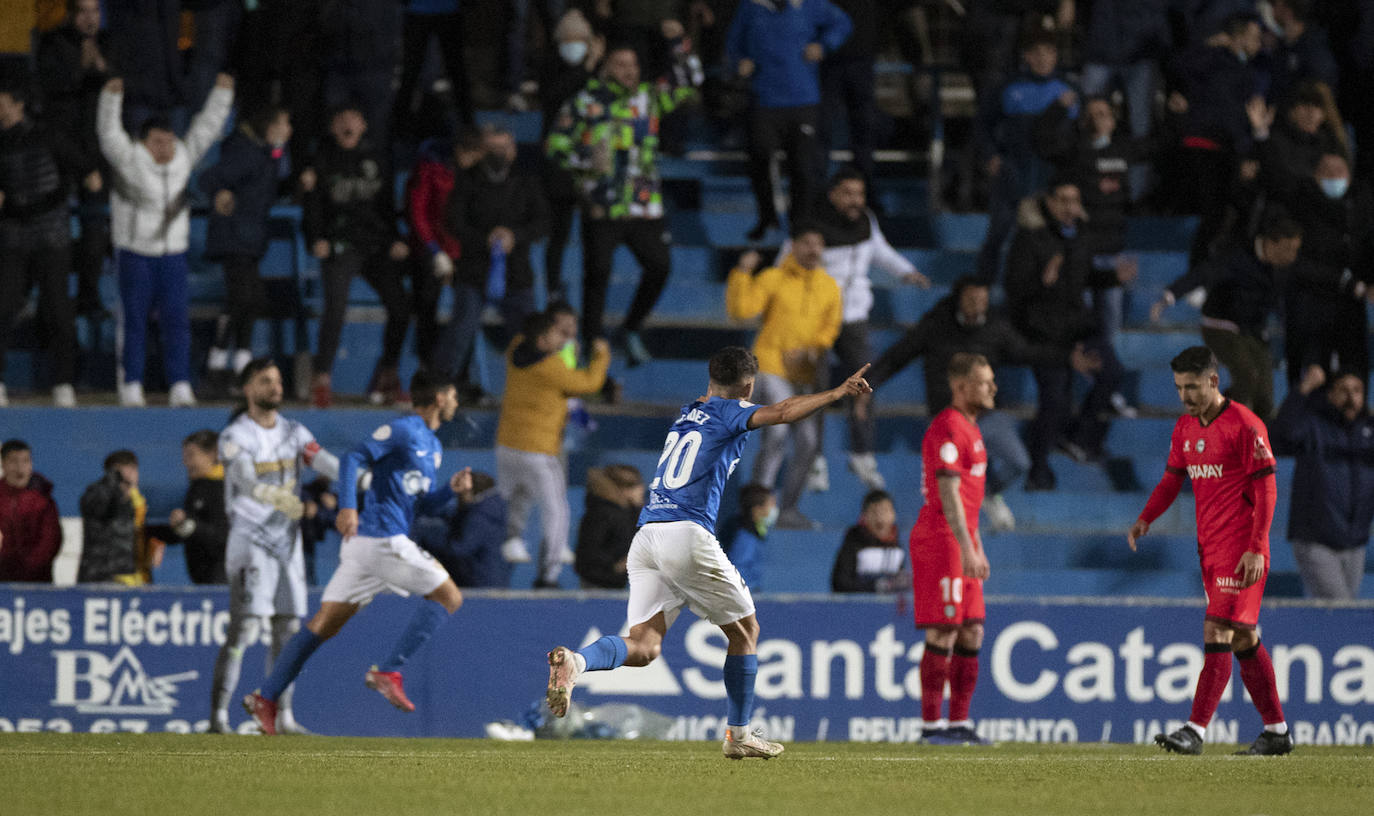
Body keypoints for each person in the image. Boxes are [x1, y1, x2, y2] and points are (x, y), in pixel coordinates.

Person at [542, 347, 874, 760]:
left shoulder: (688, 412)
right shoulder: (730, 411)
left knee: (643, 646)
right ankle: (738, 735)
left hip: (647, 535)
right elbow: (785, 411)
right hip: (686, 533)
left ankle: (576, 662)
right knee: (746, 632)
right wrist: (837, 392)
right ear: (749, 387)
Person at [243, 371, 472, 734]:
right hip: (382, 539)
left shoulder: (433, 445)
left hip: (369, 547)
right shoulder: (405, 429)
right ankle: (389, 671)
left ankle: (266, 697)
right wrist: (348, 506)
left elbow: (420, 505)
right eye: (454, 396)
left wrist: (449, 491)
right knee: (449, 596)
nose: (458, 403)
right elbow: (352, 459)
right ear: (440, 398)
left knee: (323, 624)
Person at [1129, 346, 1291, 756]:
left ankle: (1194, 730)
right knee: (1243, 639)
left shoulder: (1244, 425)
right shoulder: (1185, 428)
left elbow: (1267, 488)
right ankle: (1276, 732)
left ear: (1214, 381)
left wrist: (1256, 547)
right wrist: (1146, 517)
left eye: (1192, 387)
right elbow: (1171, 480)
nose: (1185, 396)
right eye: (1180, 388)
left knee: (1216, 630)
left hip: (1241, 550)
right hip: (1210, 549)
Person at [863, 277, 1090, 526]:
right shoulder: (937, 326)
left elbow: (1027, 352)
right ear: (959, 299)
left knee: (1020, 463)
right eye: (972, 299)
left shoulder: (995, 328)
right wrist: (867, 384)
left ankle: (990, 494)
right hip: (948, 418)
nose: (977, 305)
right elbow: (897, 356)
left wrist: (1067, 358)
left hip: (986, 415)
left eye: (983, 300)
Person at [547, 40, 702, 364]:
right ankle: (591, 344)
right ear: (606, 67)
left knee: (660, 266)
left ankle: (631, 328)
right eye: (621, 64)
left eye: (633, 65)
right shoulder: (585, 101)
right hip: (601, 205)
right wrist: (588, 158)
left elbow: (690, 82)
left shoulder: (649, 97)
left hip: (644, 204)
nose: (629, 71)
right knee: (598, 274)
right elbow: (554, 145)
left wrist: (678, 44)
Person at [210, 358, 342, 735]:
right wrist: (274, 495)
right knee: (244, 628)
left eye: (278, 380)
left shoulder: (294, 432)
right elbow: (244, 479)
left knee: (288, 628)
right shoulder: (235, 435)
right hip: (250, 538)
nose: (275, 387)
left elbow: (322, 459)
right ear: (248, 388)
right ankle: (218, 717)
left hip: (287, 542)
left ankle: (281, 716)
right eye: (266, 381)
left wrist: (355, 474)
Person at [777, 168, 930, 491]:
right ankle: (813, 459)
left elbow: (879, 251)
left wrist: (906, 272)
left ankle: (862, 454)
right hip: (815, 319)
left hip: (854, 316)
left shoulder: (866, 222)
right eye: (848, 193)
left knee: (863, 383)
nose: (855, 200)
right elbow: (784, 263)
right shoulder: (813, 223)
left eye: (859, 194)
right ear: (833, 194)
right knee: (814, 389)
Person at [97, 73, 234, 407]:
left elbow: (206, 129)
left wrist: (221, 96)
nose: (166, 149)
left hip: (173, 254)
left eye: (169, 141)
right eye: (158, 142)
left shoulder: (182, 159)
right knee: (134, 321)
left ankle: (180, 384)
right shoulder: (130, 160)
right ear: (143, 142)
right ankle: (131, 383)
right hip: (134, 254)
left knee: (176, 321)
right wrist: (111, 100)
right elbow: (109, 134)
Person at [1005, 180, 1130, 489]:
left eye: (1074, 200)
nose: (1069, 206)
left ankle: (1076, 436)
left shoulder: (1081, 237)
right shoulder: (1031, 239)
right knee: (1054, 400)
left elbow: (1084, 277)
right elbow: (1014, 289)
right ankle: (1038, 467)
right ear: (1049, 202)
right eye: (1062, 200)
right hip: (1044, 332)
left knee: (1112, 372)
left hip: (1078, 326)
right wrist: (1042, 280)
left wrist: (1112, 277)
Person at [726, 227, 842, 529]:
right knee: (777, 434)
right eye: (807, 242)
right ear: (793, 246)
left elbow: (829, 329)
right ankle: (757, 508)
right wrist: (742, 272)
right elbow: (741, 309)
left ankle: (787, 509)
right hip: (770, 366)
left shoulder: (829, 287)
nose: (813, 249)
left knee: (808, 441)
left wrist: (811, 351)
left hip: (802, 377)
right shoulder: (773, 278)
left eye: (818, 243)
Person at [908, 353, 994, 745]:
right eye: (983, 381)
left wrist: (976, 545)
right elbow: (949, 493)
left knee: (973, 630)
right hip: (942, 539)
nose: (992, 387)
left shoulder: (972, 429)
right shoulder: (948, 427)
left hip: (963, 538)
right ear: (961, 387)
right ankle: (931, 726)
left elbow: (971, 501)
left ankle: (958, 723)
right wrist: (968, 547)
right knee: (945, 630)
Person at [302, 104, 412, 407]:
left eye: (354, 119)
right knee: (335, 310)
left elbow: (386, 206)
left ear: (363, 125)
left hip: (375, 245)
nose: (348, 125)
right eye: (341, 120)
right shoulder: (322, 160)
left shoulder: (377, 158)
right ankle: (321, 379)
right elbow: (312, 207)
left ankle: (387, 375)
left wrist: (396, 238)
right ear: (333, 127)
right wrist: (316, 239)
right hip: (340, 245)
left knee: (401, 307)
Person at [495, 310, 611, 586]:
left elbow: (526, 335)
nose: (562, 338)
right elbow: (588, 383)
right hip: (538, 450)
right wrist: (601, 356)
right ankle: (548, 576)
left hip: (507, 446)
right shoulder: (550, 368)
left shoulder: (515, 350)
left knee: (514, 501)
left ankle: (505, 549)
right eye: (556, 334)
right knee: (557, 512)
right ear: (543, 339)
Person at [1150, 216, 1303, 421]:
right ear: (1270, 243)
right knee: (1247, 374)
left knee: (1265, 396)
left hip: (1252, 330)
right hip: (1220, 326)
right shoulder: (1238, 257)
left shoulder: (1280, 270)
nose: (1292, 256)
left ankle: (1259, 442)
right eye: (1288, 249)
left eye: (1295, 250)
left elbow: (1280, 303)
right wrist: (1169, 297)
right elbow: (1203, 273)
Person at [727, 0, 852, 240]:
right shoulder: (750, 6)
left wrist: (824, 45)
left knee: (803, 167)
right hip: (764, 99)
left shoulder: (810, 4)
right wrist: (739, 62)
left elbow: (843, 23)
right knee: (760, 158)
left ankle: (800, 224)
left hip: (803, 100)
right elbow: (733, 44)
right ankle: (767, 217)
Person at [0, 77, 85, 407]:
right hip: (12, 237)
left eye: (3, 102)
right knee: (4, 306)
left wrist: (71, 190)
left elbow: (80, 169)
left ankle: (63, 382)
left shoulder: (48, 135)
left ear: (18, 104)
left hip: (51, 235)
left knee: (57, 309)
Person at [441, 124, 549, 383]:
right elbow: (453, 222)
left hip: (516, 272)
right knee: (460, 332)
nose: (499, 153)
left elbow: (543, 222)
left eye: (504, 147)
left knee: (528, 338)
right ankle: (439, 391)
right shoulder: (466, 181)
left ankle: (531, 389)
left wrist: (515, 236)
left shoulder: (526, 182)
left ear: (513, 151)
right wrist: (484, 239)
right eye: (493, 148)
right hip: (474, 271)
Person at [198, 105, 294, 392]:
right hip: (234, 237)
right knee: (242, 299)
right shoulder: (244, 152)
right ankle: (221, 367)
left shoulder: (266, 154)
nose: (288, 130)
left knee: (248, 301)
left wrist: (279, 149)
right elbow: (209, 178)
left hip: (250, 240)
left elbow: (277, 178)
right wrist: (220, 192)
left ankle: (235, 364)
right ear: (269, 125)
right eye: (284, 123)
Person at [974, 27, 1077, 283]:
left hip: (1051, 175)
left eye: (1049, 53)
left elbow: (1079, 136)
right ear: (1027, 56)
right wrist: (991, 156)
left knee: (1056, 237)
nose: (1043, 59)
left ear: (1056, 56)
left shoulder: (1069, 91)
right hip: (1013, 171)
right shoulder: (1007, 87)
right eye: (1037, 53)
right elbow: (982, 125)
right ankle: (982, 288)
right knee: (999, 232)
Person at [36, 0, 112, 317]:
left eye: (95, 11)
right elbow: (49, 89)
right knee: (54, 232)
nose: (90, 18)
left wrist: (102, 69)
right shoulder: (53, 42)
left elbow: (121, 84)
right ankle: (48, 303)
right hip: (62, 153)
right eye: (83, 11)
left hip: (97, 153)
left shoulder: (108, 43)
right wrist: (82, 69)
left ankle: (88, 296)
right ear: (71, 13)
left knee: (95, 230)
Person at [1272, 366, 1374, 600]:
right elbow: (1280, 436)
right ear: (1331, 394)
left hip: (1355, 541)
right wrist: (1304, 388)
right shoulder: (1313, 426)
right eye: (1344, 390)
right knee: (1341, 608)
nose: (1351, 397)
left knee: (1342, 614)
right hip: (1316, 540)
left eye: (1357, 391)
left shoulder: (1368, 432)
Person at [406, 130, 484, 377]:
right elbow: (418, 211)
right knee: (426, 309)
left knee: (467, 313)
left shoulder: (476, 176)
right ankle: (427, 371)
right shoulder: (431, 169)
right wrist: (434, 250)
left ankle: (461, 376)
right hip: (431, 251)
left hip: (464, 253)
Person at [78, 449, 161, 584]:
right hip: (104, 579)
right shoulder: (96, 494)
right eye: (121, 469)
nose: (130, 473)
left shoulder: (140, 502)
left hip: (139, 579)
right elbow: (98, 507)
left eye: (133, 468)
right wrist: (113, 482)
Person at [418, 470, 510, 589]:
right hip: (490, 581)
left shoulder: (480, 518)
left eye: (460, 493)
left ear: (469, 492)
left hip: (480, 585)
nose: (458, 498)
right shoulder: (486, 512)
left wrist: (427, 540)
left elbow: (460, 549)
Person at [165, 429, 228, 585]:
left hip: (222, 580)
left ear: (213, 454)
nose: (186, 462)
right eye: (185, 456)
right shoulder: (198, 487)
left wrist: (190, 525)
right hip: (203, 578)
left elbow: (224, 537)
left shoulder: (223, 489)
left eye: (191, 455)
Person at [574, 464, 645, 590]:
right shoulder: (602, 513)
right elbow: (588, 554)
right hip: (597, 585)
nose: (640, 489)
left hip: (615, 584)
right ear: (619, 488)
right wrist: (616, 566)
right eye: (632, 484)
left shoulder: (628, 513)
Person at [0, 439, 62, 583]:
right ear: (3, 464)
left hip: (36, 582)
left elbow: (50, 540)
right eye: (13, 461)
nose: (20, 467)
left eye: (25, 461)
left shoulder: (43, 499)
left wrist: (28, 570)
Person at [831, 488, 904, 593]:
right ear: (864, 516)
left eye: (885, 511)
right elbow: (840, 584)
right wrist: (875, 587)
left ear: (893, 515)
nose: (880, 518)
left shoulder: (900, 546)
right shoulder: (852, 543)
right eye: (874, 512)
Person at [717, 483, 776, 590]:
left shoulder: (757, 531)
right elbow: (739, 570)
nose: (774, 509)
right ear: (757, 509)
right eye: (771, 504)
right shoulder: (745, 538)